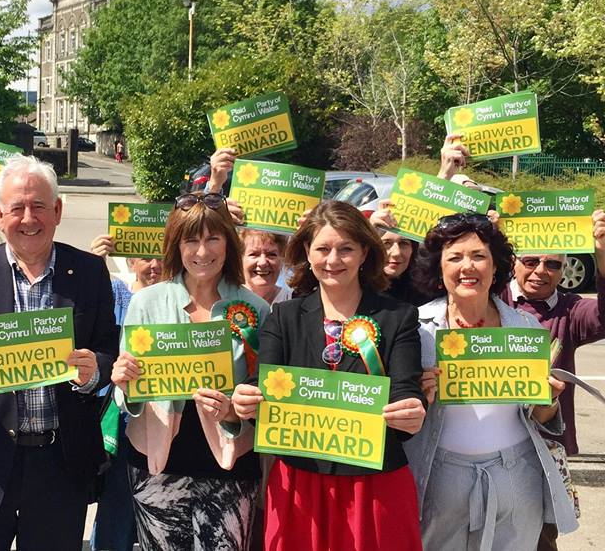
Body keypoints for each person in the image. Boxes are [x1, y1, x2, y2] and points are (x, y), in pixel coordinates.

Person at [0, 154, 118, 549]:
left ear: (58, 211)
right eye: (17, 208)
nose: (29, 219)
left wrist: (94, 372)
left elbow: (107, 350)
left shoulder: (89, 271)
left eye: (39, 206)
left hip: (59, 466)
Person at [231, 200, 427, 551]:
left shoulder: (399, 317)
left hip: (374, 486)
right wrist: (246, 399)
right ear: (307, 251)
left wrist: (411, 410)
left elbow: (405, 390)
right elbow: (261, 384)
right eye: (323, 249)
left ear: (365, 252)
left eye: (346, 249)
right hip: (299, 486)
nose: (333, 260)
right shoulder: (283, 316)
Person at [405, 212, 579, 549]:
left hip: (517, 476)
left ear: (496, 265)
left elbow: (539, 416)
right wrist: (417, 394)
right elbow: (398, 414)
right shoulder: (415, 329)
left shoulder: (525, 327)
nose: (467, 266)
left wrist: (548, 399)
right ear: (438, 268)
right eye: (455, 257)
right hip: (439, 480)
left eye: (478, 256)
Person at [110, 191, 270, 550]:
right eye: (191, 240)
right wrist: (125, 383)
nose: (202, 251)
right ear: (176, 245)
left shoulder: (255, 309)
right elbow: (128, 396)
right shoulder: (146, 302)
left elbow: (263, 394)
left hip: (230, 464)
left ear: (228, 243)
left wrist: (235, 409)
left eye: (212, 238)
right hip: (157, 463)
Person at [87, 236, 164, 551]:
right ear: (131, 261)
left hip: (163, 422)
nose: (155, 265)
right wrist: (96, 264)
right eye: (146, 257)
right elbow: (88, 309)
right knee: (116, 510)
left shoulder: (178, 299)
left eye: (161, 257)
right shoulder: (117, 294)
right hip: (121, 422)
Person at [367, 201, 428, 307]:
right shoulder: (355, 288)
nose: (397, 253)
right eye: (386, 243)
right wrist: (369, 232)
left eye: (403, 243)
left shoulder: (424, 291)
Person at [240, 229, 292, 305]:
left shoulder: (293, 300)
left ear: (282, 259)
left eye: (271, 254)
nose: (263, 262)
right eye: (254, 254)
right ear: (240, 259)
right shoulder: (226, 299)